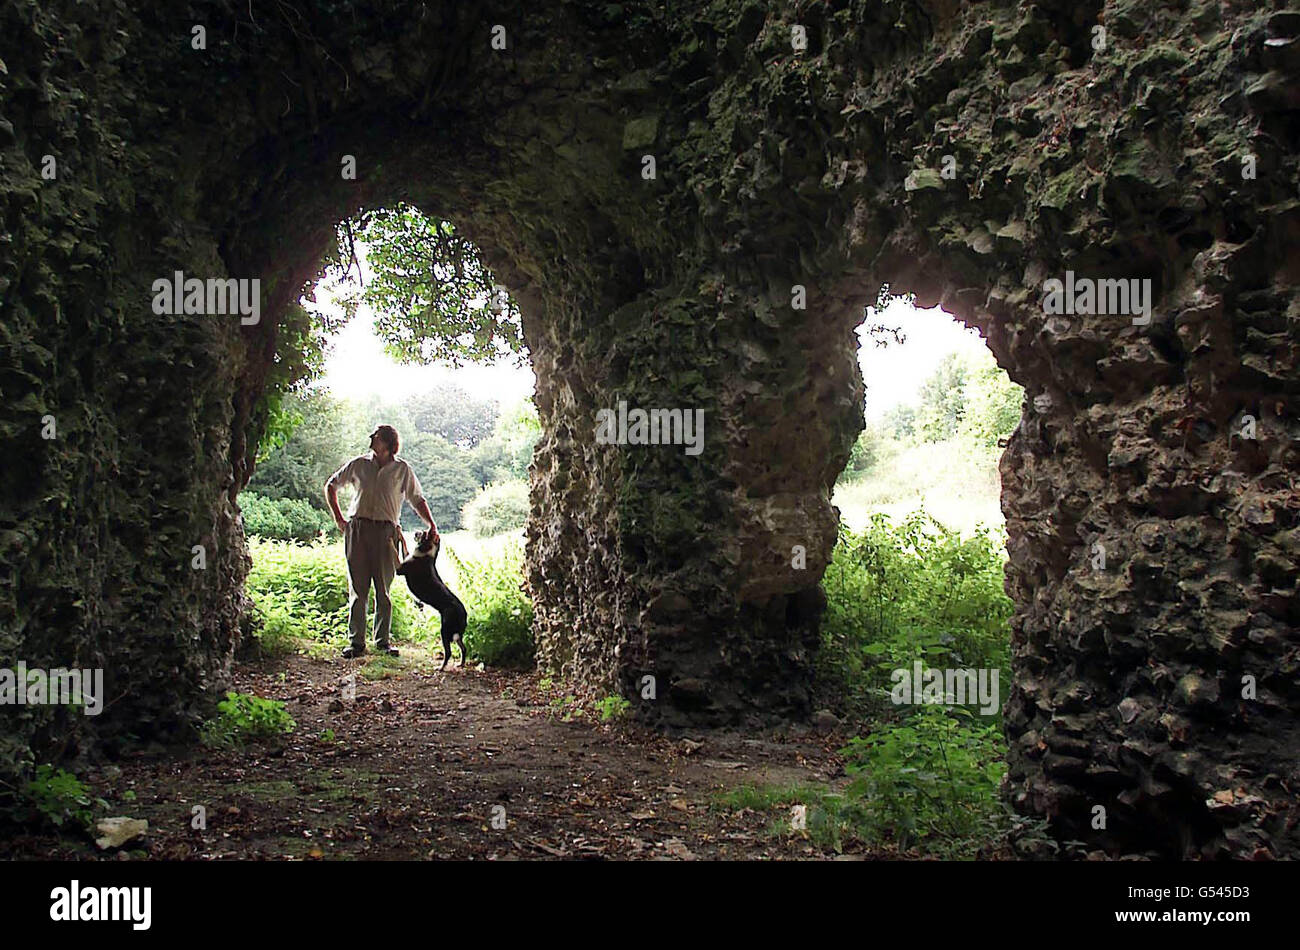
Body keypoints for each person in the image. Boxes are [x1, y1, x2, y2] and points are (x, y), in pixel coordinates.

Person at [324, 425, 438, 658]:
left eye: (376, 437)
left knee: (383, 589)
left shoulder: (402, 470)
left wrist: (431, 524)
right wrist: (338, 518)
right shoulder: (358, 464)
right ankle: (356, 643)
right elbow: (331, 485)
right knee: (358, 587)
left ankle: (382, 642)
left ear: (388, 443)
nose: (371, 439)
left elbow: (417, 499)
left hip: (386, 532)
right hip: (358, 529)